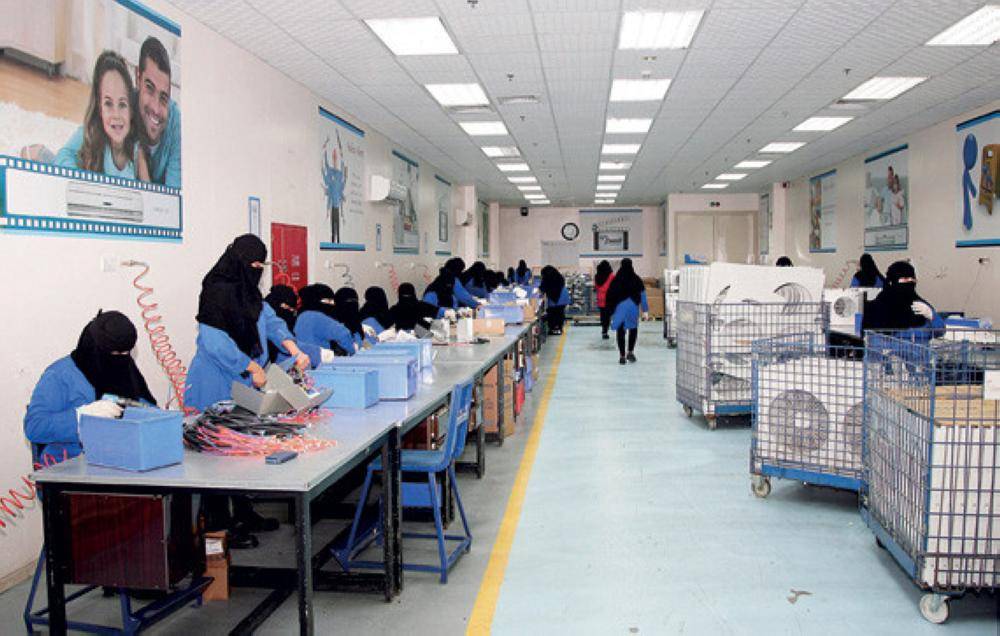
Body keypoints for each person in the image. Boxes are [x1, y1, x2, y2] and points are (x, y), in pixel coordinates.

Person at [185, 235, 310, 411]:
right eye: (254, 265)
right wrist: (252, 367)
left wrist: (295, 351)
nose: (256, 271)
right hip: (213, 380)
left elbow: (272, 323)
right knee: (214, 425)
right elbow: (216, 343)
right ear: (238, 261)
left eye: (260, 266)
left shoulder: (250, 295)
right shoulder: (215, 293)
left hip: (245, 379)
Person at [24, 311, 156, 465]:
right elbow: (35, 427)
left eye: (125, 353)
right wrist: (80, 417)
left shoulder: (126, 368)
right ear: (95, 349)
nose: (120, 359)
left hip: (125, 462)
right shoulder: (60, 375)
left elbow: (145, 406)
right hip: (74, 468)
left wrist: (161, 418)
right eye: (115, 353)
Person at [57, 38, 180, 186]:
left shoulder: (140, 150)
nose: (116, 114)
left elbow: (154, 191)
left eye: (164, 97)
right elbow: (64, 155)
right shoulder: (99, 131)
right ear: (138, 78)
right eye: (149, 87)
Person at [55, 50, 149, 180]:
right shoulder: (91, 132)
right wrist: (81, 180)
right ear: (100, 108)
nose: (116, 115)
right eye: (108, 104)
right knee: (38, 154)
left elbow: (147, 190)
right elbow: (63, 155)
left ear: (131, 109)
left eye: (122, 104)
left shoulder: (137, 151)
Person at [862, 261, 944, 335]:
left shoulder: (921, 307)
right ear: (891, 282)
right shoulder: (875, 308)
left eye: (912, 279)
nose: (909, 282)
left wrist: (932, 316)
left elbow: (940, 331)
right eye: (905, 279)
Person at [606, 258, 649, 365]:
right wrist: (645, 311)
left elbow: (610, 296)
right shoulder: (637, 279)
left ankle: (622, 356)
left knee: (620, 331)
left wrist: (610, 311)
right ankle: (630, 352)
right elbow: (643, 295)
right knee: (633, 329)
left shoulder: (616, 280)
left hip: (620, 308)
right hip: (633, 307)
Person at [295, 283, 356, 356]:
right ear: (315, 300)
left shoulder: (301, 316)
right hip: (320, 359)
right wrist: (353, 350)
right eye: (329, 301)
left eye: (333, 301)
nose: (332, 304)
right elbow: (343, 334)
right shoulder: (319, 317)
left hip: (302, 359)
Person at [263, 285, 299, 363]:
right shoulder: (263, 316)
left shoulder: (283, 323)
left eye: (292, 309)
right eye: (286, 307)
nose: (290, 311)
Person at [539, 266, 570, 335]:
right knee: (560, 313)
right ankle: (559, 328)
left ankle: (553, 329)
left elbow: (542, 289)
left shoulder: (546, 278)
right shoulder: (559, 276)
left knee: (552, 313)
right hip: (563, 295)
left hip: (556, 298)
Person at [594, 260, 615, 340]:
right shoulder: (611, 276)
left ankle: (603, 329)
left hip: (600, 298)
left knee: (602, 315)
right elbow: (614, 287)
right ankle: (605, 331)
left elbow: (596, 287)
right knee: (608, 315)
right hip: (608, 299)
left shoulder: (597, 276)